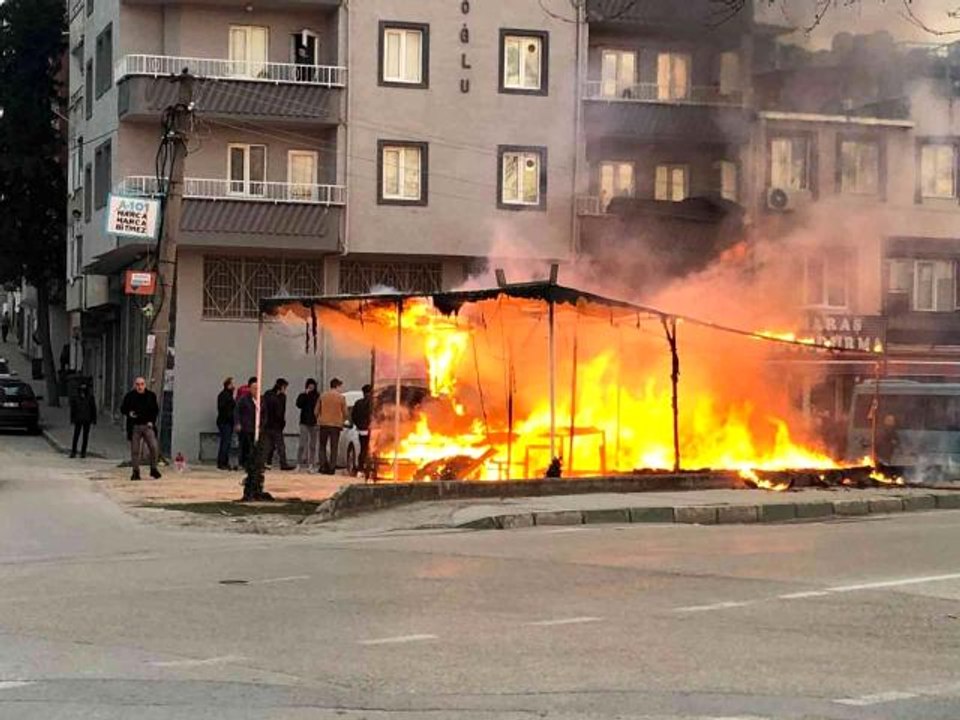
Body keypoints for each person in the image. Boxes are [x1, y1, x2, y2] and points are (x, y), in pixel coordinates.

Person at [120, 377, 161, 481]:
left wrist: (152, 421)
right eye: (138, 384)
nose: (140, 386)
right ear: (135, 385)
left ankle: (153, 468)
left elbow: (155, 410)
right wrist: (129, 413)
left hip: (147, 425)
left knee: (154, 447)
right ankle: (135, 472)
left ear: (145, 385)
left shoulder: (151, 396)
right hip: (135, 426)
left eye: (142, 384)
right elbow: (123, 408)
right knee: (135, 450)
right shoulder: (130, 396)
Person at [316, 378, 348, 475]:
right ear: (337, 386)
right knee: (334, 447)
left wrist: (319, 419)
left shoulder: (323, 396)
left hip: (324, 424)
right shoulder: (341, 398)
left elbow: (316, 411)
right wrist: (342, 420)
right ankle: (332, 468)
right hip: (336, 425)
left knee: (322, 446)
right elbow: (345, 413)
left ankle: (322, 466)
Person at [262, 378, 295, 471]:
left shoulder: (272, 395)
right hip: (272, 424)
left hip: (272, 424)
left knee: (272, 445)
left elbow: (280, 411)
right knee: (276, 445)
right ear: (281, 387)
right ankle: (279, 463)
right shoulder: (275, 396)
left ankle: (269, 462)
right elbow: (279, 411)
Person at [295, 378, 320, 471]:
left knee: (312, 445)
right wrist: (305, 394)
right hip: (304, 422)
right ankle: (298, 463)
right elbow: (298, 404)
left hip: (314, 422)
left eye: (313, 385)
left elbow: (319, 408)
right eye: (309, 385)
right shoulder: (303, 395)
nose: (311, 386)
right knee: (302, 444)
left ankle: (311, 464)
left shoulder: (317, 396)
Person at [69, 382, 96, 459]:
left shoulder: (90, 397)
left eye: (84, 390)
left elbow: (93, 408)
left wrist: (94, 419)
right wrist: (72, 419)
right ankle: (73, 451)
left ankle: (83, 452)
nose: (82, 392)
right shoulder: (76, 397)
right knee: (76, 435)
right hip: (78, 419)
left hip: (87, 419)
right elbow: (73, 409)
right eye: (81, 390)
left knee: (85, 436)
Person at [235, 377, 258, 468]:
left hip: (255, 427)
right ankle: (243, 463)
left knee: (254, 446)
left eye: (257, 388)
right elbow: (236, 411)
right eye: (254, 388)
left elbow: (264, 412)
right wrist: (237, 423)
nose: (256, 390)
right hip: (245, 427)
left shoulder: (260, 399)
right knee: (245, 446)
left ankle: (253, 463)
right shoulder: (243, 399)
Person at [351, 384, 373, 477]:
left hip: (361, 430)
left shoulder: (358, 403)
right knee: (370, 449)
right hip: (371, 429)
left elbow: (353, 416)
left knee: (363, 449)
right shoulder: (373, 403)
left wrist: (358, 425)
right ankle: (368, 469)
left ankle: (360, 469)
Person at [216, 377, 236, 470]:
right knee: (225, 442)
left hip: (225, 421)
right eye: (232, 384)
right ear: (228, 385)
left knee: (226, 443)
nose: (234, 386)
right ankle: (222, 462)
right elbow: (226, 410)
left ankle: (223, 462)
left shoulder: (226, 395)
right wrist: (231, 418)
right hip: (225, 422)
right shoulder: (226, 396)